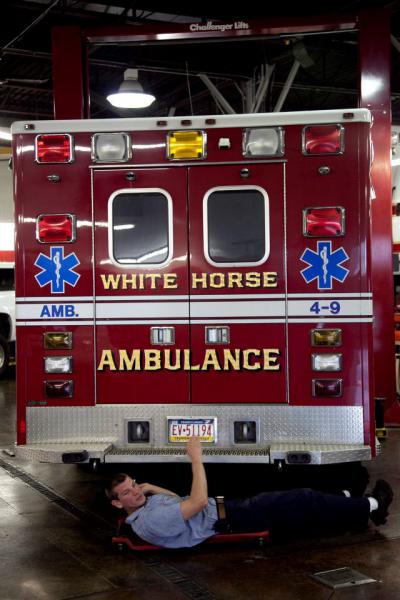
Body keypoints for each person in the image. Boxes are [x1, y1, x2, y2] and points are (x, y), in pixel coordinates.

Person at [105, 437, 393, 549]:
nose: (135, 492)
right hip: (231, 518)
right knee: (302, 498)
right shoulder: (150, 522)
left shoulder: (146, 508)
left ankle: (345, 500)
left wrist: (152, 487)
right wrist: (195, 459)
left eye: (134, 485)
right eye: (127, 494)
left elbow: (175, 501)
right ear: (118, 503)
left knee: (300, 498)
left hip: (228, 508)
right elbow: (197, 501)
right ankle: (370, 506)